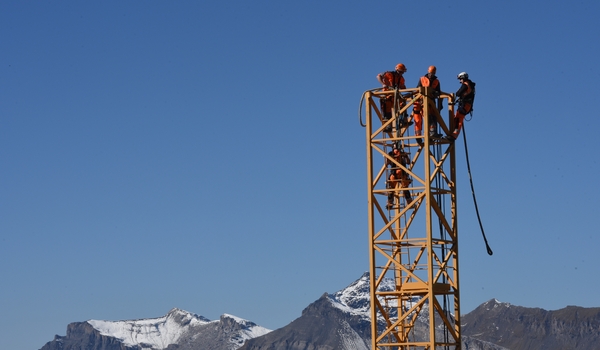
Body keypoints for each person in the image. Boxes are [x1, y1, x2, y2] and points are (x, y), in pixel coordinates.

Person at [411, 66, 443, 141]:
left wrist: (435, 94)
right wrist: (418, 99)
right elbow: (418, 89)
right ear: (428, 72)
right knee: (419, 119)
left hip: (430, 101)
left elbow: (438, 92)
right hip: (422, 101)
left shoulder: (436, 81)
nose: (431, 75)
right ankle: (419, 136)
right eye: (430, 73)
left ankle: (432, 133)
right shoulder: (422, 79)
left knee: (432, 117)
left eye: (432, 73)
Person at [376, 63, 408, 132]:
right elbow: (378, 76)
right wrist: (383, 84)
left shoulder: (401, 79)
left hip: (395, 96)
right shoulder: (388, 74)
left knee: (402, 105)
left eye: (402, 72)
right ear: (397, 70)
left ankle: (403, 121)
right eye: (401, 71)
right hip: (387, 95)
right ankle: (388, 126)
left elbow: (403, 87)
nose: (401, 73)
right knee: (387, 110)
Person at [447, 72, 476, 140]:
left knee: (458, 118)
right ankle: (452, 133)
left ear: (463, 78)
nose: (460, 81)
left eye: (460, 79)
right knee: (456, 117)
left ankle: (454, 135)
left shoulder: (466, 84)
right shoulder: (470, 85)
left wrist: (457, 94)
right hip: (467, 105)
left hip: (465, 105)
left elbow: (459, 93)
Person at [385, 143, 413, 209]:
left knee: (405, 187)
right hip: (394, 173)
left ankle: (409, 201)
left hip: (402, 173)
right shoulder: (391, 154)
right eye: (395, 150)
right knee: (391, 187)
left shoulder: (403, 154)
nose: (396, 152)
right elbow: (387, 163)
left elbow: (408, 162)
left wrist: (405, 156)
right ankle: (390, 202)